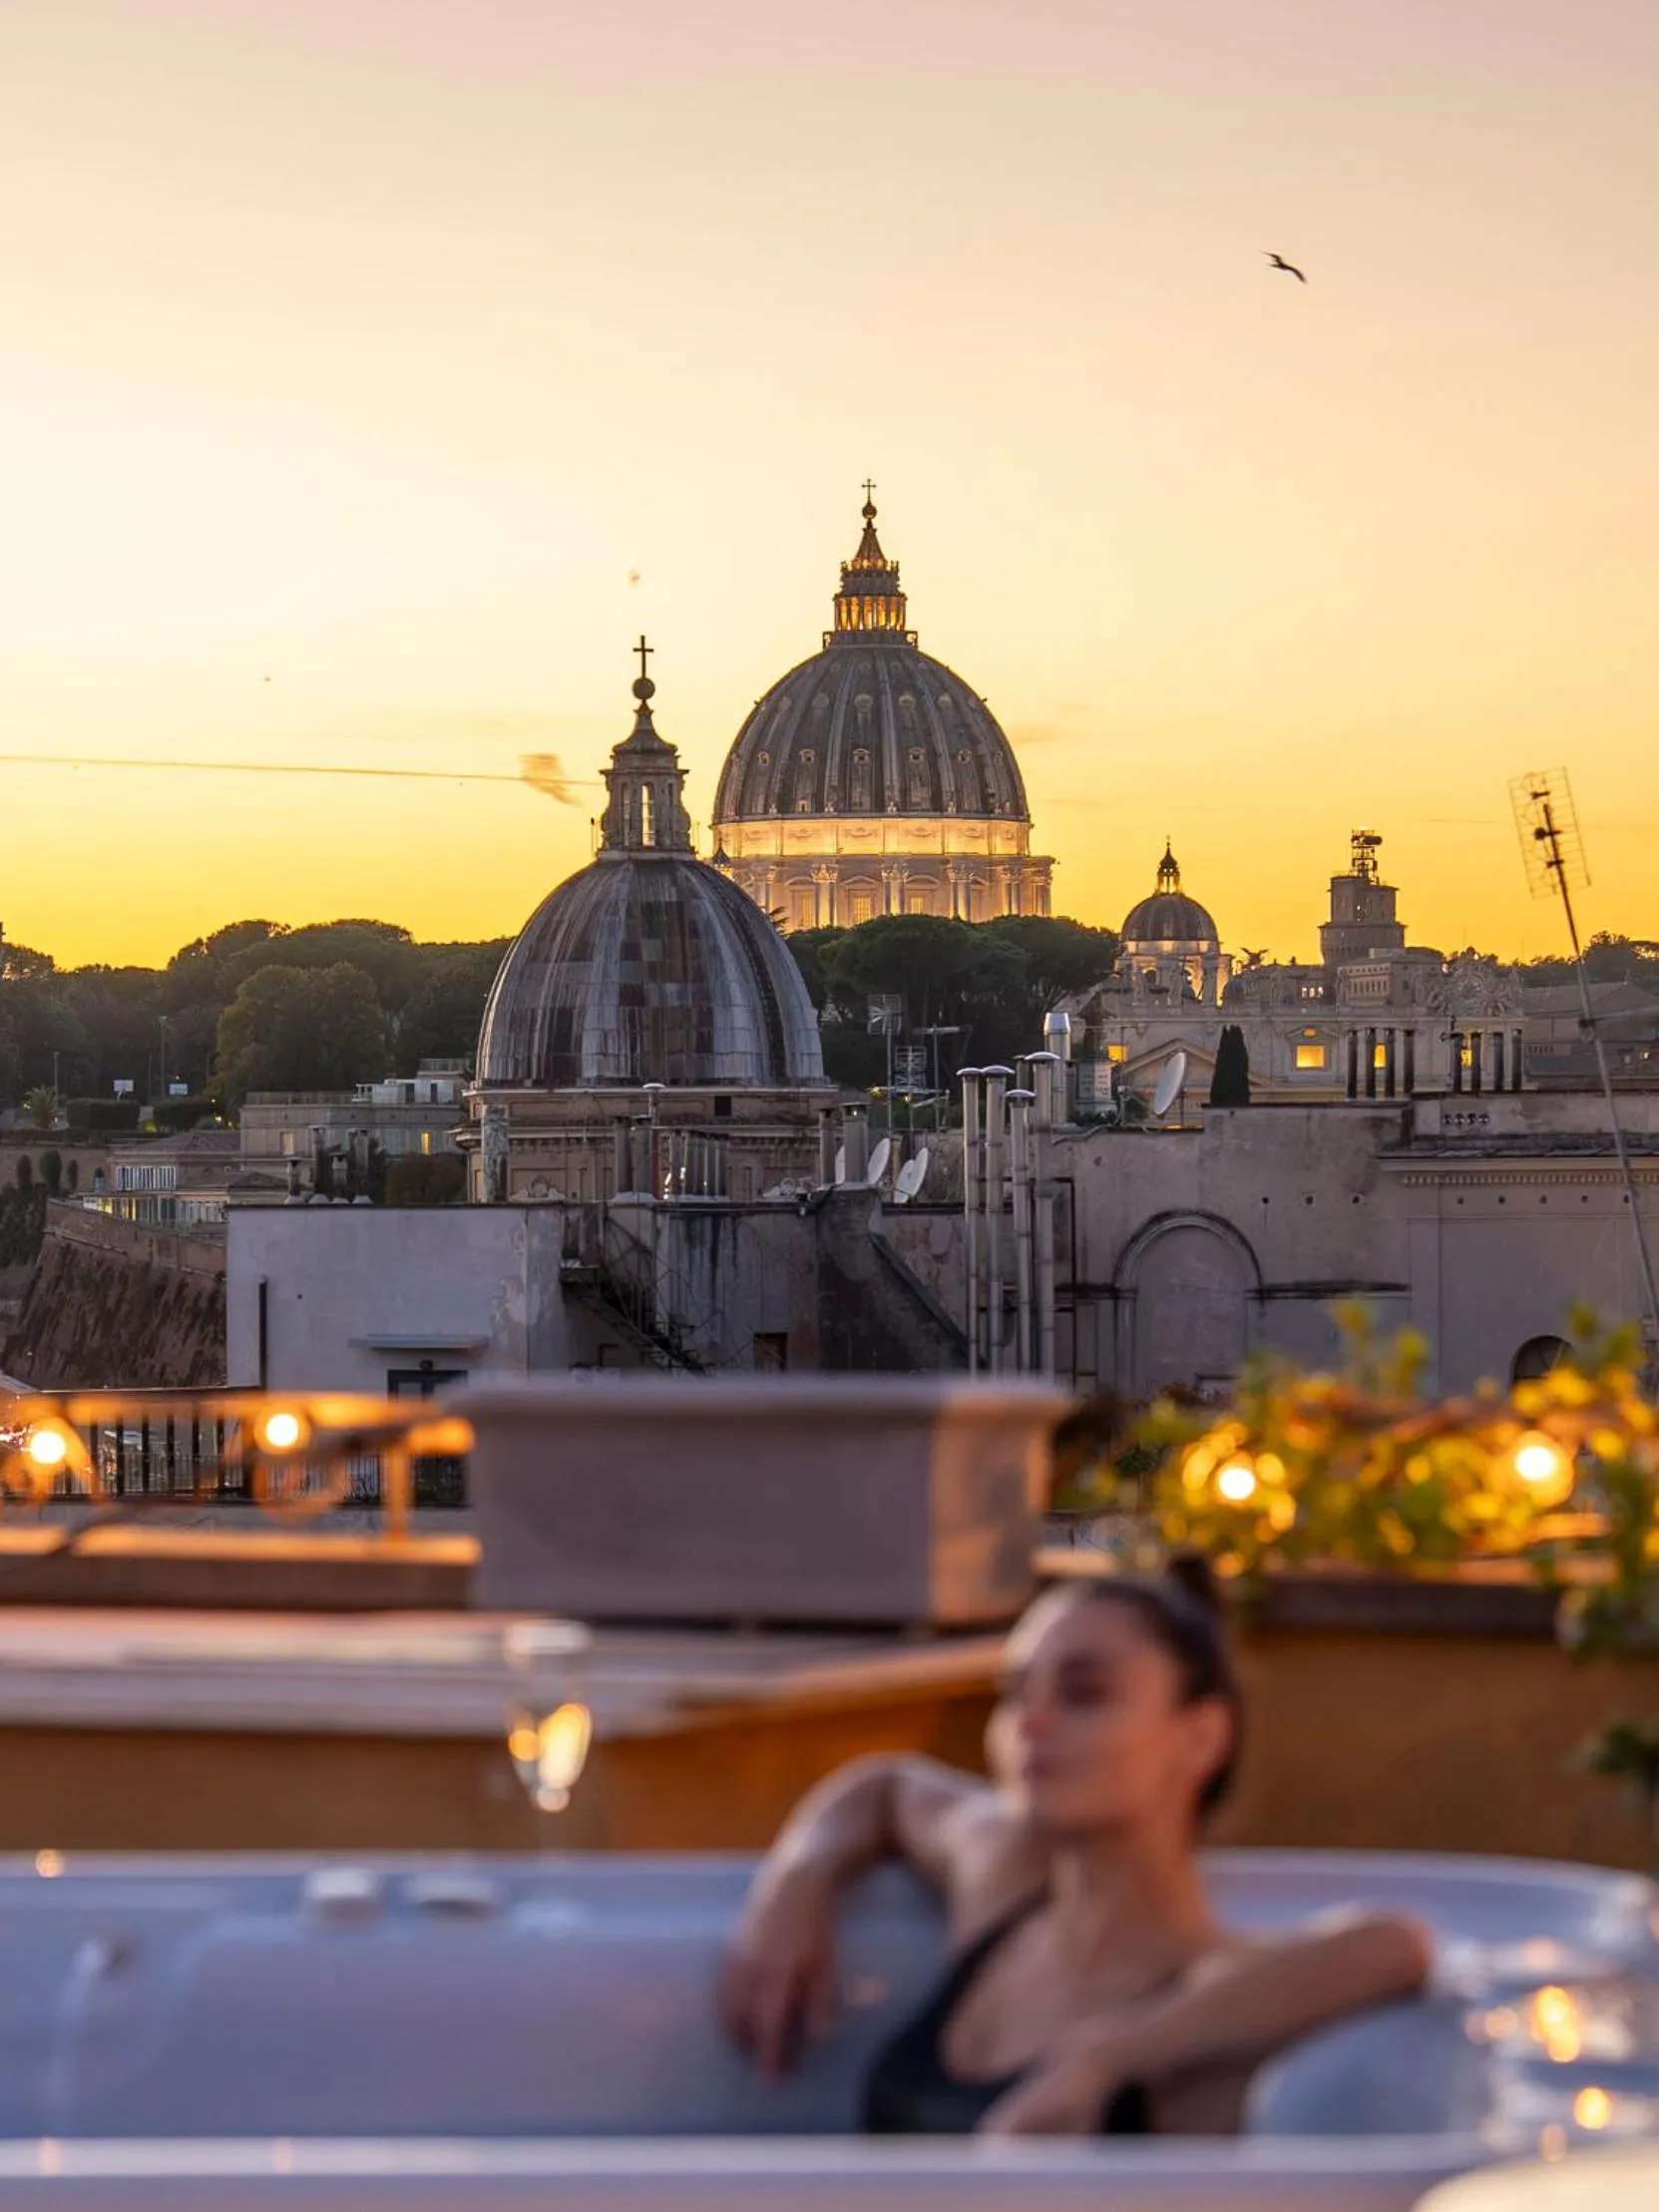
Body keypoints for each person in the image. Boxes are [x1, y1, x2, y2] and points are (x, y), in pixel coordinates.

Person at [721, 1559, 1432, 2136]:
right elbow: (884, 1788)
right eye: (1015, 1691)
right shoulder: (1002, 1881)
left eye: (1084, 1692)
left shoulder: (1207, 1992)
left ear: (1200, 1736)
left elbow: (1395, 1946)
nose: (1030, 1721)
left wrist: (1106, 2056)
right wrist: (795, 1879)